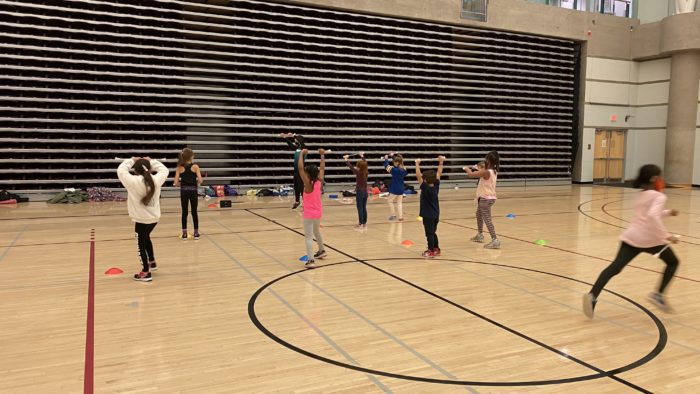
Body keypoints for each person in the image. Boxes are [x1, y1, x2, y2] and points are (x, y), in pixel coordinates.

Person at [583, 164, 680, 317]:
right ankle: (658, 295)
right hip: (650, 239)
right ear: (654, 178)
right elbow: (652, 216)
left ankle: (592, 296)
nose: (662, 180)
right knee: (673, 262)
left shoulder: (641, 194)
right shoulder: (659, 196)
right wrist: (668, 236)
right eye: (660, 176)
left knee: (615, 267)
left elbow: (648, 214)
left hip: (632, 236)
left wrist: (668, 213)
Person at [117, 157, 169, 282]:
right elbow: (164, 170)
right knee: (146, 237)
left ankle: (146, 272)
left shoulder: (132, 181)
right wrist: (151, 161)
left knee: (141, 243)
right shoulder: (156, 179)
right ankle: (152, 261)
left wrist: (131, 160)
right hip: (154, 218)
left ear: (136, 171)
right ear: (150, 169)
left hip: (141, 219)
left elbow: (121, 170)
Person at [464, 151, 500, 249]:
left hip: (486, 199)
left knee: (487, 219)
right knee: (478, 214)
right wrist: (478, 168)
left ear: (488, 160)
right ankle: (480, 234)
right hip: (487, 198)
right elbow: (482, 174)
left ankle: (495, 240)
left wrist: (467, 169)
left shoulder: (487, 171)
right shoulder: (493, 170)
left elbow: (471, 175)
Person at [299, 148, 328, 268]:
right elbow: (322, 168)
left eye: (306, 172)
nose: (304, 173)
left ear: (308, 174)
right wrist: (322, 156)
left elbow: (300, 168)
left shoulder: (308, 184)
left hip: (309, 214)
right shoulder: (319, 181)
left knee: (308, 237)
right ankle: (322, 250)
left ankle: (311, 260)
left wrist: (301, 154)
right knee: (316, 231)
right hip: (318, 213)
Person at [415, 156, 445, 258]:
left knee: (429, 234)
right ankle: (436, 249)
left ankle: (430, 250)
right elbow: (439, 174)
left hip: (428, 215)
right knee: (433, 232)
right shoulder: (436, 185)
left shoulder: (425, 188)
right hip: (436, 214)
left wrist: (417, 164)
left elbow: (418, 175)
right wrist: (441, 162)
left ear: (426, 180)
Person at [173, 148, 203, 240]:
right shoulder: (195, 167)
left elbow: (175, 183)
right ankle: (196, 234)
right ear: (191, 156)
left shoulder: (179, 168)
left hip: (184, 191)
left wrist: (180, 184)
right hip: (193, 191)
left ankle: (184, 234)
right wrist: (197, 184)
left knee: (184, 212)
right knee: (194, 212)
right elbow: (200, 180)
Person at [280, 132, 306, 210]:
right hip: (295, 170)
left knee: (301, 186)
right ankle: (297, 201)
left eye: (296, 139)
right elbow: (291, 145)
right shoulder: (297, 148)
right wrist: (285, 138)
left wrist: (294, 135)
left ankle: (305, 202)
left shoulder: (304, 148)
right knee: (296, 186)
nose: (295, 140)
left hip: (300, 170)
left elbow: (301, 142)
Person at [344, 152, 369, 229]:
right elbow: (365, 163)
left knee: (360, 208)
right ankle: (364, 223)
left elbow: (351, 167)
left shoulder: (359, 172)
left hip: (360, 192)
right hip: (365, 192)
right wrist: (362, 156)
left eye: (357, 166)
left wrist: (346, 159)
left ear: (359, 167)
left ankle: (360, 223)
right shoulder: (365, 171)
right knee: (364, 207)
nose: (356, 167)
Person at [383, 152, 408, 221]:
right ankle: (400, 217)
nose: (393, 163)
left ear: (396, 163)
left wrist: (386, 159)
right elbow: (400, 162)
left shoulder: (394, 170)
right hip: (401, 188)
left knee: (390, 200)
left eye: (394, 162)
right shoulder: (404, 169)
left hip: (395, 188)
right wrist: (393, 156)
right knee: (399, 203)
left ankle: (393, 215)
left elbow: (386, 166)